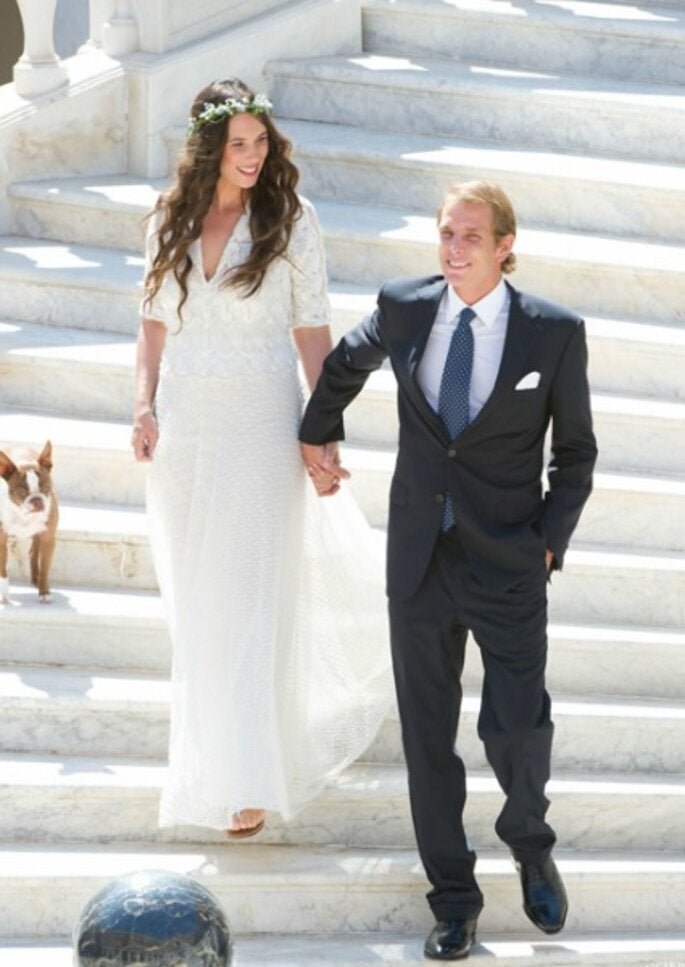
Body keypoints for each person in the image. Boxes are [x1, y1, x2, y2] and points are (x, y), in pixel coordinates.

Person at [300, 180, 597, 959]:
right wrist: (316, 432)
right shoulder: (405, 307)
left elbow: (575, 455)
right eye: (445, 234)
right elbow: (344, 362)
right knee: (428, 740)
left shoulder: (552, 333)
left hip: (507, 560)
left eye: (471, 237)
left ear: (504, 245)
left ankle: (529, 841)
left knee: (516, 726)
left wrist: (547, 540)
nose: (454, 250)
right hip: (420, 561)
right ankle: (454, 903)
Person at [132, 78, 392, 839]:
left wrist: (324, 430)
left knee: (249, 599)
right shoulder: (167, 218)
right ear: (209, 148)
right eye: (238, 144)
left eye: (260, 142)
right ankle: (217, 764)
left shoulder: (292, 221)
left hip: (258, 423)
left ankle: (248, 782)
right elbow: (151, 323)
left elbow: (312, 332)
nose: (253, 156)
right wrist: (143, 405)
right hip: (186, 429)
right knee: (203, 606)